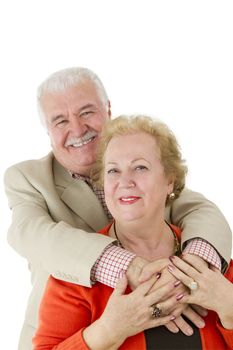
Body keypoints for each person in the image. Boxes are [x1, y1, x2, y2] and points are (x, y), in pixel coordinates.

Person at [4, 67, 232, 350]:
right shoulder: (28, 178)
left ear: (107, 110)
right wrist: (130, 268)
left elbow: (202, 210)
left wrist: (197, 271)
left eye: (86, 112)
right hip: (71, 330)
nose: (76, 129)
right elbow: (33, 235)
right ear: (47, 131)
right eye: (60, 120)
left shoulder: (205, 265)